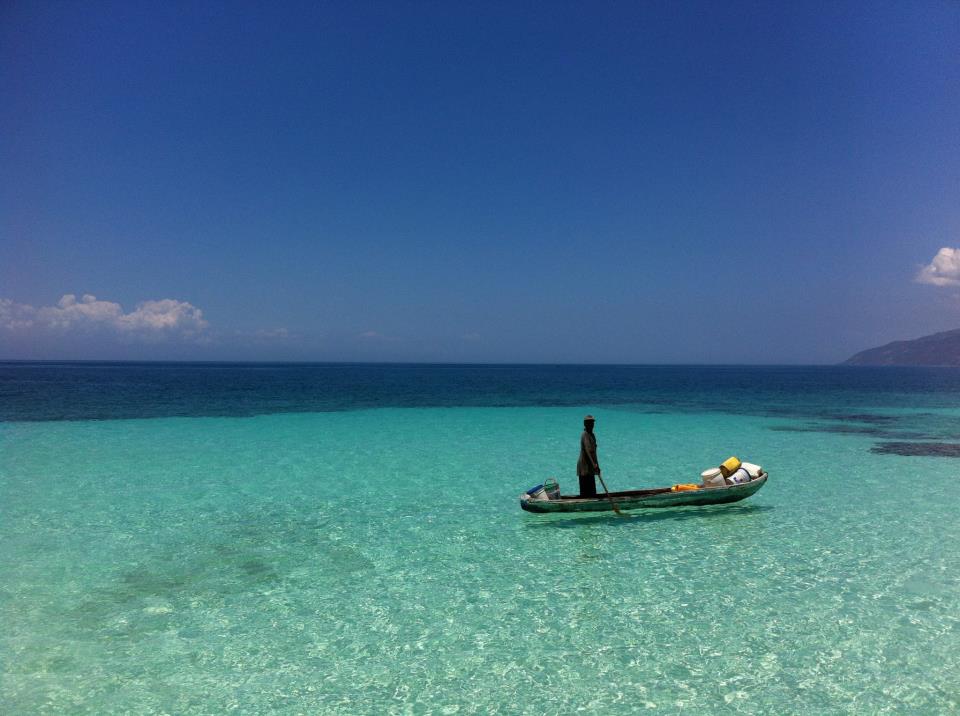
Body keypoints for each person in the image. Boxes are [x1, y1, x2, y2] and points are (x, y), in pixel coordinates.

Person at [577, 414, 600, 497]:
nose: (592, 425)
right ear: (585, 424)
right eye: (589, 423)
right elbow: (588, 451)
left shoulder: (592, 435)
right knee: (585, 493)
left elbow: (594, 453)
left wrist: (597, 465)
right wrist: (594, 464)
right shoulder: (585, 435)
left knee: (592, 492)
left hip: (591, 467)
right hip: (584, 466)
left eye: (592, 423)